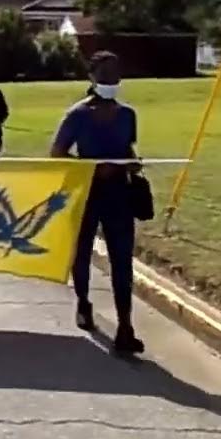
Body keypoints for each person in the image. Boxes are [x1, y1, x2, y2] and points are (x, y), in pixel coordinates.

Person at [50, 50, 144, 357]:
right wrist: (89, 167)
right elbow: (57, 153)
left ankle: (126, 327)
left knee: (122, 260)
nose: (111, 79)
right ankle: (83, 302)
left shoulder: (128, 114)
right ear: (91, 77)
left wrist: (131, 163)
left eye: (115, 73)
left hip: (119, 193)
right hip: (86, 192)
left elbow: (128, 147)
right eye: (104, 74)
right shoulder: (77, 114)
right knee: (81, 251)